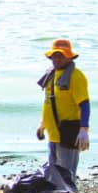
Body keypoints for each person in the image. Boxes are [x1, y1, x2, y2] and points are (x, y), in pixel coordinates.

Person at [36, 38, 91, 179]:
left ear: (69, 57)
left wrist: (84, 130)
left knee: (66, 176)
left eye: (61, 55)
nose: (57, 59)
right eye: (55, 55)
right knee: (53, 176)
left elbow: (84, 104)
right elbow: (49, 101)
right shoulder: (52, 75)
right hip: (53, 133)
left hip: (68, 131)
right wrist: (42, 124)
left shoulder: (75, 76)